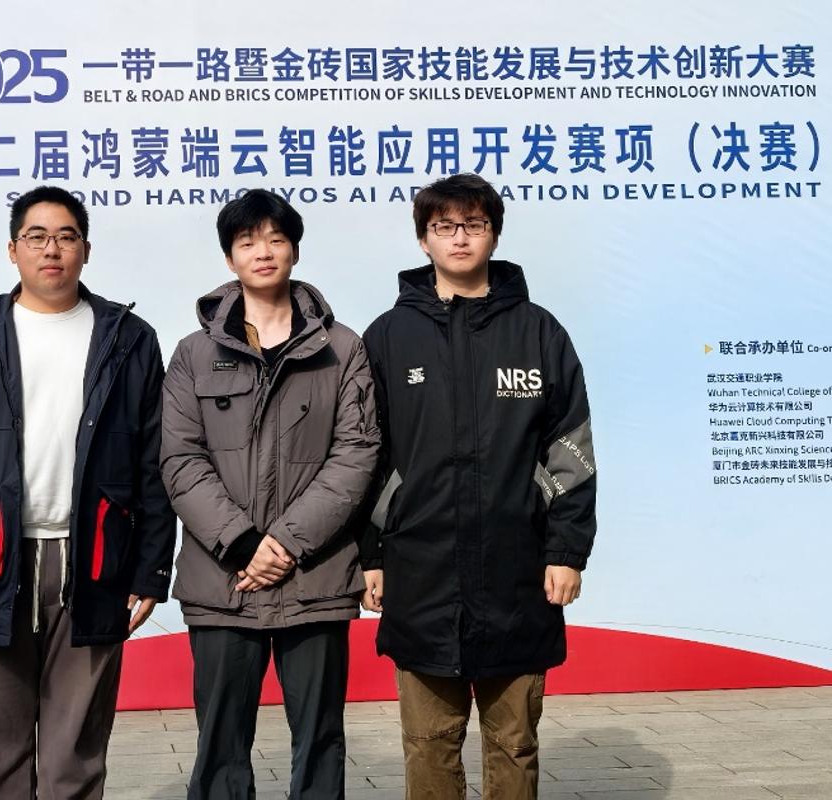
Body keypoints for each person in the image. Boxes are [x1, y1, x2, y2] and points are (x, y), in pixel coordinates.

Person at [0, 185, 175, 799]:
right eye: (36, 236)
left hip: (96, 560)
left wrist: (150, 570)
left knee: (75, 751)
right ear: (13, 250)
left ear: (86, 250)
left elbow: (155, 463)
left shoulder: (128, 338)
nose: (51, 249)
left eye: (66, 236)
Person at [358, 173, 597, 799]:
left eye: (474, 225)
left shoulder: (538, 331)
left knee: (514, 742)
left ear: (494, 234)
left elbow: (570, 452)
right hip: (421, 572)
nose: (460, 238)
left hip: (517, 571)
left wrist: (566, 551)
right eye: (444, 227)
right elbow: (367, 457)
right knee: (428, 742)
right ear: (423, 240)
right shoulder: (388, 336)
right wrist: (372, 555)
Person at [160, 189, 379, 800]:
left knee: (321, 737)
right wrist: (243, 544)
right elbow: (180, 458)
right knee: (221, 742)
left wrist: (283, 543)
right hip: (223, 580)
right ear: (229, 257)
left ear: (295, 251)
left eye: (276, 239)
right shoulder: (194, 353)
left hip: (316, 577)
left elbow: (357, 453)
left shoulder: (342, 348)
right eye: (247, 241)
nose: (263, 252)